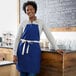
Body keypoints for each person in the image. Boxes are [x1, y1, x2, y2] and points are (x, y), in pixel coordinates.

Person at [13, 1, 63, 76]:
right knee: (22, 73)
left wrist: (56, 48)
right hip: (22, 51)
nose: (29, 11)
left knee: (32, 73)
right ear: (25, 12)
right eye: (27, 10)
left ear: (35, 10)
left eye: (31, 9)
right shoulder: (23, 23)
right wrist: (14, 54)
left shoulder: (41, 22)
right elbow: (17, 39)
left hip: (34, 51)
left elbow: (49, 35)